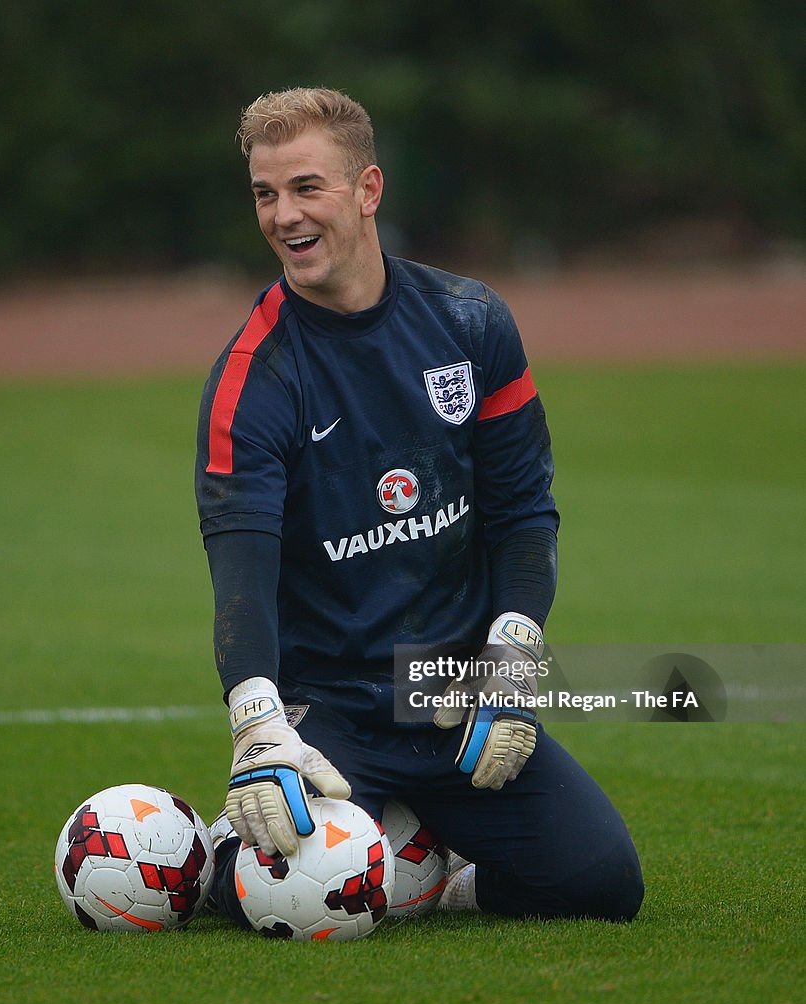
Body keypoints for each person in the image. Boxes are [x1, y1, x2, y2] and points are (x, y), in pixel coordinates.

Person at [195, 86, 643, 923]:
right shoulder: (253, 379)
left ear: (368, 191)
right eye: (265, 193)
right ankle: (207, 851)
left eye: (306, 187)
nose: (283, 215)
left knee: (601, 885)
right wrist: (258, 724)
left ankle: (440, 875)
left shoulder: (471, 325)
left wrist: (512, 653)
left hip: (451, 696)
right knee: (270, 907)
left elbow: (523, 516)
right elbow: (240, 572)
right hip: (327, 712)